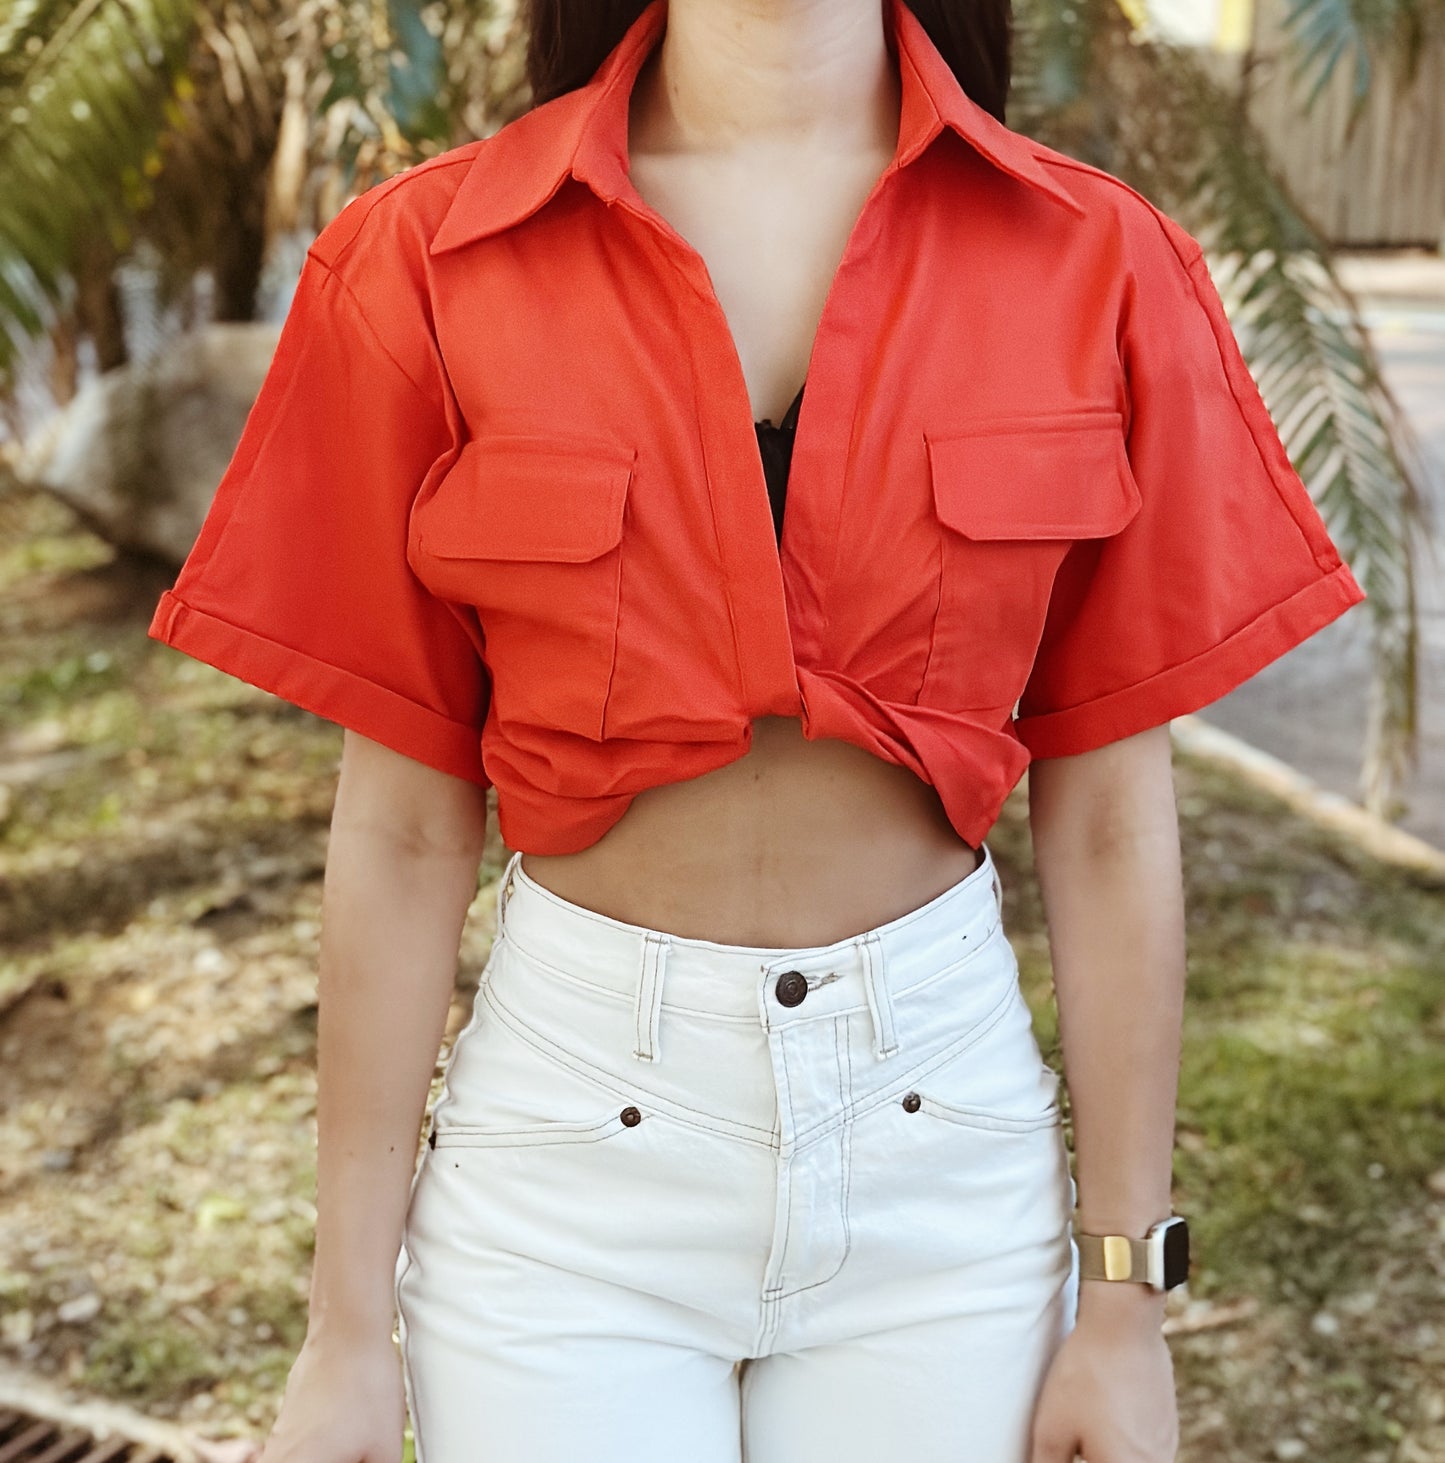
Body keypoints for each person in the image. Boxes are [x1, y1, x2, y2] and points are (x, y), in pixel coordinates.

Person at [148, 0, 1368, 1460]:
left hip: (943, 1165)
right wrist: (347, 1327)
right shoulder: (426, 256)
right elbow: (405, 832)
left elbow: (1108, 823)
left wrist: (1125, 1305)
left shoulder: (1098, 258)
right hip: (567, 1173)